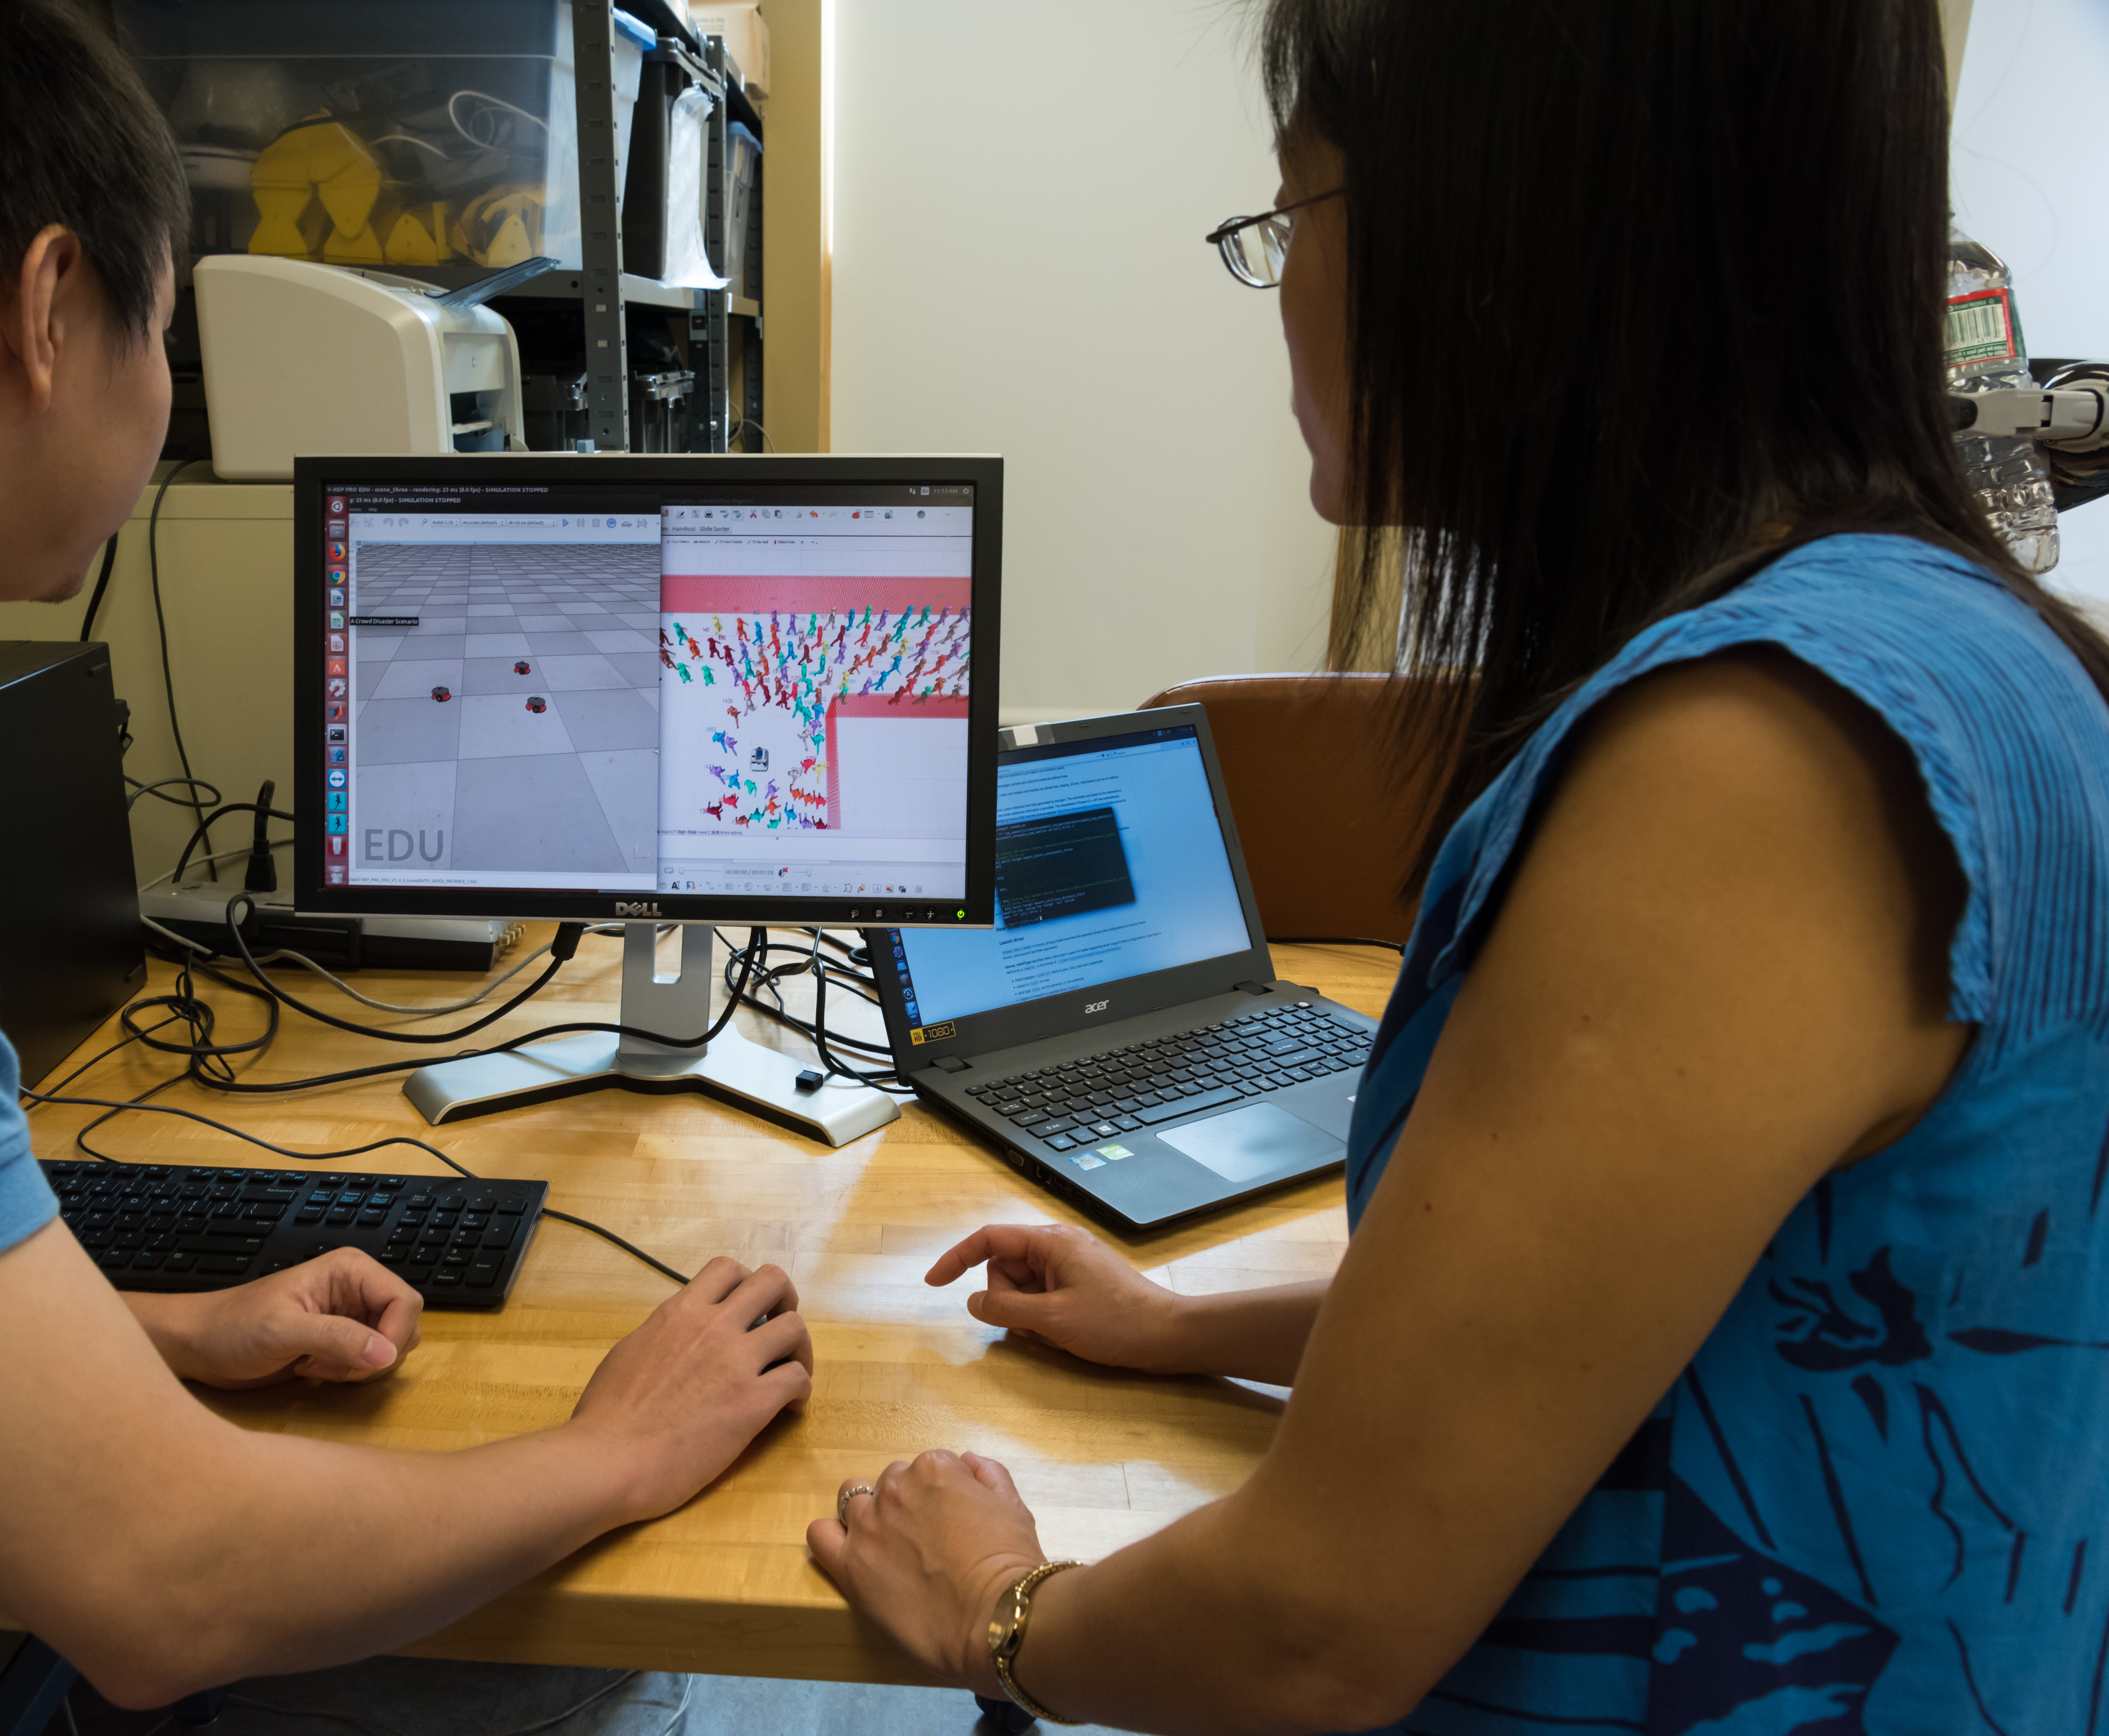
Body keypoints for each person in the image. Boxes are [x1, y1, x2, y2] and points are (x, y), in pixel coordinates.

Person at [807, 2, 2109, 1732]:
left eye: (1298, 214)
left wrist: (995, 1601)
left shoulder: (1751, 760)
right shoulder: (1961, 650)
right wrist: (1192, 1323)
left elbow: (1312, 1628)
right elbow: (1667, 1309)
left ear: (1506, 229)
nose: (1285, 288)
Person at [0, 4, 811, 1731]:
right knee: (584, 1661)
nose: (171, 396)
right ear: (50, 310)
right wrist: (614, 1447)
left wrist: (163, 1335)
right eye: (171, 331)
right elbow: (166, 1583)